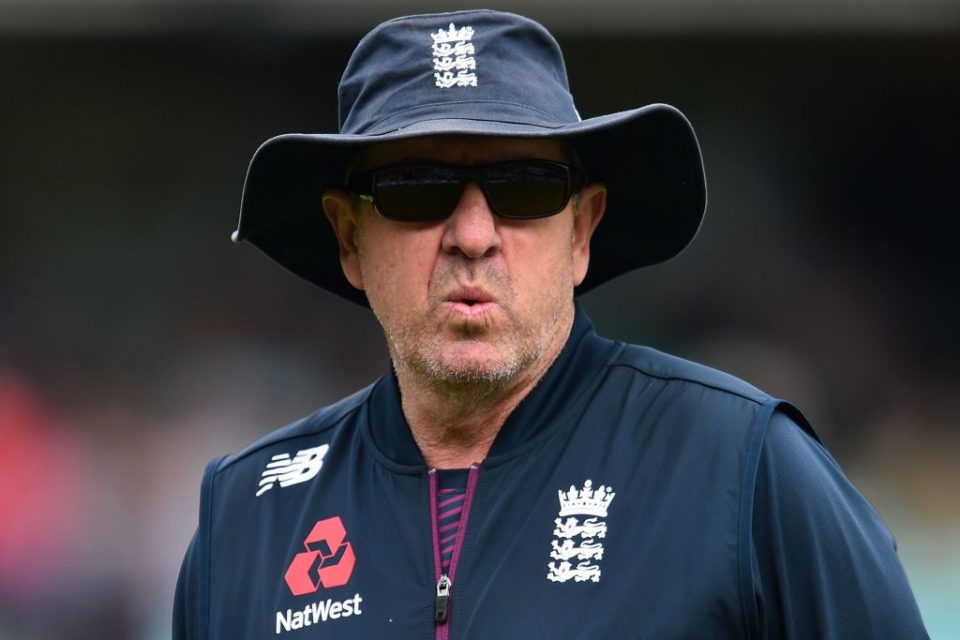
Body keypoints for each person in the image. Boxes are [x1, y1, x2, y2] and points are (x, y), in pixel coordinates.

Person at [174, 9, 928, 639]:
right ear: (348, 239)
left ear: (582, 231)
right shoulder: (247, 518)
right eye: (415, 189)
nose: (473, 235)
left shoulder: (743, 468)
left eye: (524, 186)